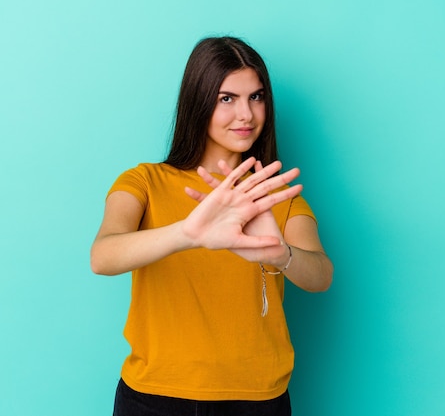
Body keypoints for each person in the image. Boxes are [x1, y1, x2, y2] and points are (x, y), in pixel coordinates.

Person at [90, 36, 333, 416]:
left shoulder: (273, 195)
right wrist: (187, 233)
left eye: (256, 97)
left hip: (256, 399)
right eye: (227, 98)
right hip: (154, 396)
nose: (246, 115)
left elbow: (321, 274)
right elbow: (103, 255)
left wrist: (279, 253)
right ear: (198, 101)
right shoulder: (144, 182)